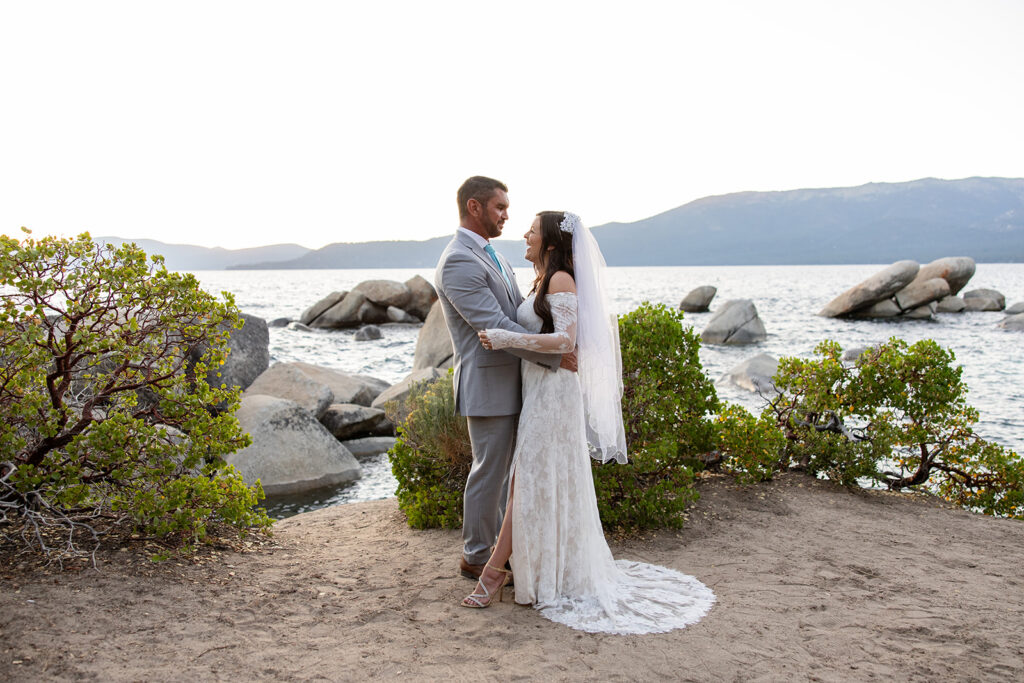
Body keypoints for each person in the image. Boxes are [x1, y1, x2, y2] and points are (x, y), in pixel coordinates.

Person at [460, 210, 716, 635]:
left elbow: (567, 341)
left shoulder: (561, 280)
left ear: (551, 243)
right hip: (537, 391)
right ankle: (531, 566)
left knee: (524, 482)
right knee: (529, 481)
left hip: (554, 395)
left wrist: (507, 338)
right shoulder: (540, 281)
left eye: (532, 231)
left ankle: (492, 574)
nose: (525, 234)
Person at [434, 177, 575, 582]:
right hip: (488, 384)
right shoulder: (458, 260)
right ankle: (476, 557)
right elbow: (493, 324)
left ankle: (501, 552)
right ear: (474, 207)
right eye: (500, 207)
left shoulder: (491, 254)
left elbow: (517, 315)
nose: (507, 216)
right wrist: (556, 356)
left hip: (518, 381)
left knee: (508, 478)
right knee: (489, 474)